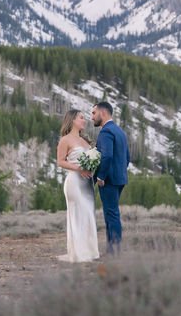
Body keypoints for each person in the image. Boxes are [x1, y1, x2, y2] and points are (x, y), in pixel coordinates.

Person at [55, 109, 100, 263]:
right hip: (74, 182)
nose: (84, 120)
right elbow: (60, 161)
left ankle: (90, 251)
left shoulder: (85, 141)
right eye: (81, 118)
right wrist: (79, 169)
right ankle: (79, 253)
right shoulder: (65, 140)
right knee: (77, 216)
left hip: (87, 184)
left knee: (88, 215)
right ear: (73, 120)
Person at [92, 101, 130, 255]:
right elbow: (127, 157)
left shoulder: (106, 132)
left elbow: (106, 155)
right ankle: (111, 248)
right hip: (119, 179)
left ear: (103, 113)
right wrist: (119, 172)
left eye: (94, 113)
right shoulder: (120, 131)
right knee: (111, 213)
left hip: (108, 180)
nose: (92, 117)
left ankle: (115, 250)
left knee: (112, 214)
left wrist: (101, 176)